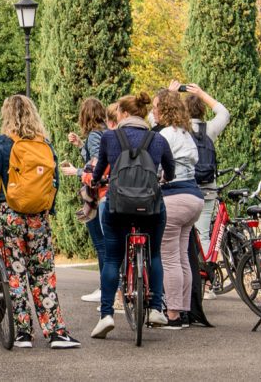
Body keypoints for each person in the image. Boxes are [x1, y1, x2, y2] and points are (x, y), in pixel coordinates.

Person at [0, 95, 80, 349]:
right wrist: (46, 210)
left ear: (7, 115)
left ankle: (23, 334)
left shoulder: (2, 143)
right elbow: (55, 182)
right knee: (43, 275)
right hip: (38, 218)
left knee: (15, 274)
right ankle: (56, 332)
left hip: (10, 216)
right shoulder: (44, 144)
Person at [91, 92, 175, 339]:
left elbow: (98, 170)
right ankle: (156, 309)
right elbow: (170, 170)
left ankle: (106, 315)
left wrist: (96, 181)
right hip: (150, 207)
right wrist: (163, 178)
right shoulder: (157, 139)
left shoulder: (110, 137)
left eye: (117, 113)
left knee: (112, 259)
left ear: (125, 114)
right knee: (155, 254)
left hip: (117, 206)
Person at [152, 88, 204, 328]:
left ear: (164, 109)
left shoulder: (165, 134)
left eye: (156, 107)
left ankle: (172, 314)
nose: (153, 111)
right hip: (194, 198)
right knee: (182, 256)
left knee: (170, 258)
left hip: (174, 197)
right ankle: (183, 311)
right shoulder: (186, 133)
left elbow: (156, 167)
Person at [59, 97, 107, 303]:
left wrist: (75, 171)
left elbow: (96, 166)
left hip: (98, 193)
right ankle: (107, 286)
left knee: (101, 243)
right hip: (105, 191)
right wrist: (80, 144)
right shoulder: (105, 132)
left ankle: (106, 287)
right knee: (105, 243)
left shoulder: (96, 135)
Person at [171, 81, 230, 247]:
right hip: (207, 189)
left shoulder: (177, 131)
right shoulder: (210, 129)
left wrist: (171, 94)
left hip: (184, 190)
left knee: (181, 239)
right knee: (203, 235)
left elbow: (154, 120)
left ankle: (189, 271)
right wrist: (202, 94)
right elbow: (224, 114)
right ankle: (207, 269)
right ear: (203, 110)